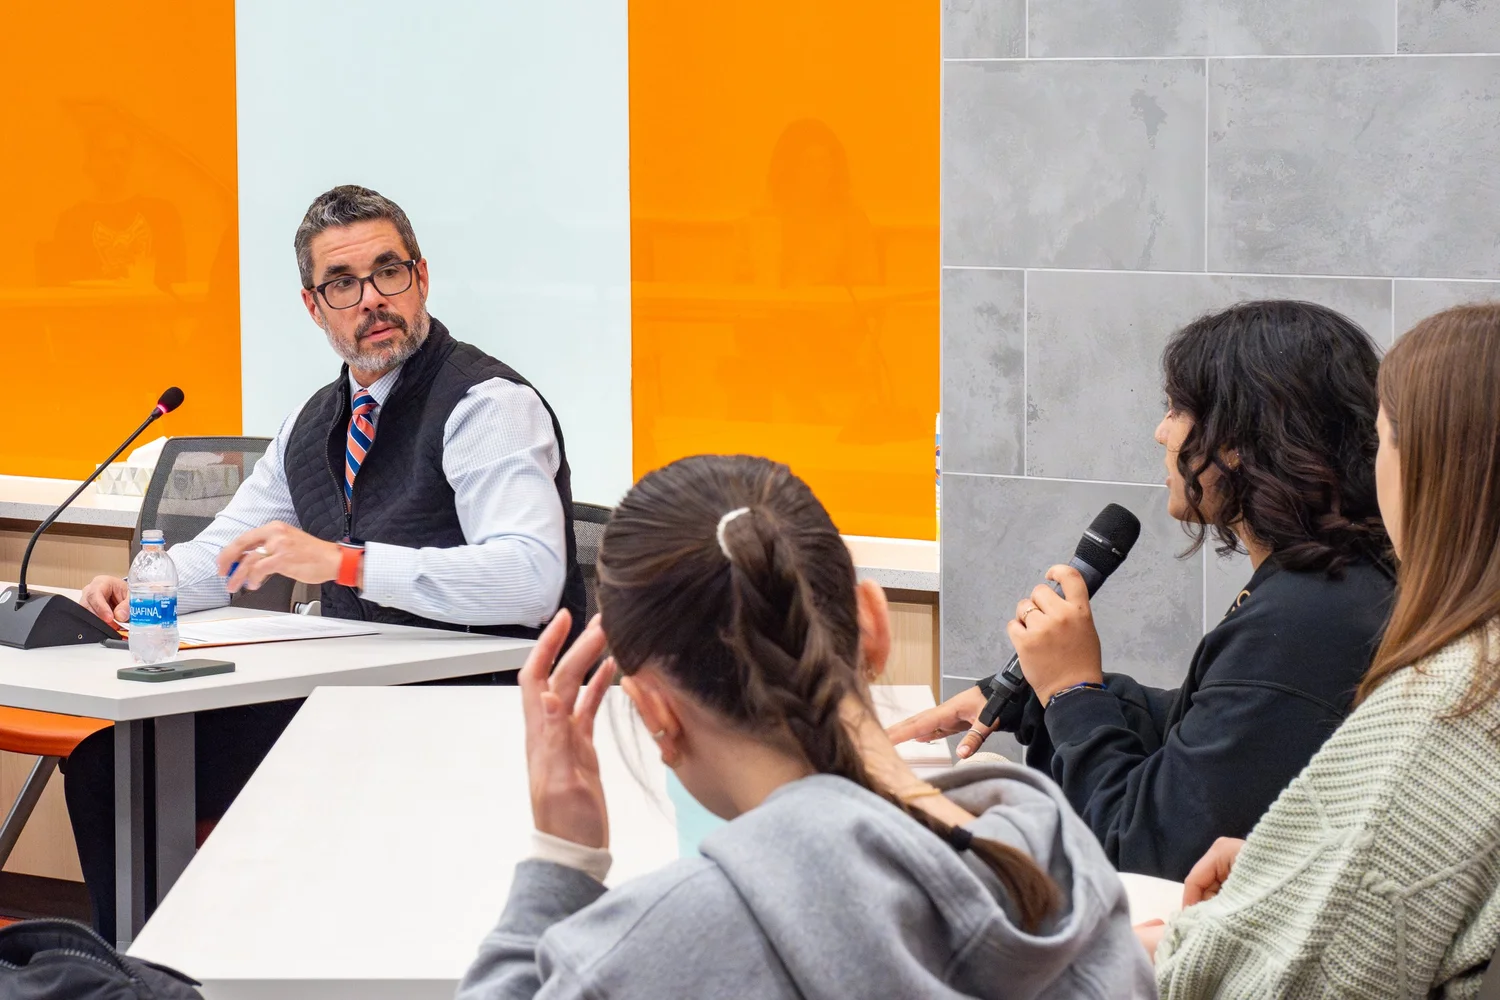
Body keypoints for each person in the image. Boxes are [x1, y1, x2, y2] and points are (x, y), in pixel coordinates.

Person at [66, 184, 587, 941]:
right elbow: (232, 547)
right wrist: (153, 587)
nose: (373, 299)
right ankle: (150, 979)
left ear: (423, 277)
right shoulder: (314, 421)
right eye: (344, 283)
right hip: (353, 702)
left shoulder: (487, 405)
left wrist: (345, 563)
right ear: (314, 307)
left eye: (389, 272)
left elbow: (529, 581)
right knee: (119, 767)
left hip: (471, 712)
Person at [457, 455, 1154, 999]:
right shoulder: (1063, 864)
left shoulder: (653, 954)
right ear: (874, 627)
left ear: (654, 714)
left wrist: (562, 861)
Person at [889, 301, 1395, 880]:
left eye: (1179, 408)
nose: (1162, 431)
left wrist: (1071, 691)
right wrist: (1040, 697)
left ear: (1241, 440)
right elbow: (1211, 735)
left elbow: (1140, 851)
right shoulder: (1327, 585)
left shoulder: (1307, 621)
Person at [1145, 303, 1500, 997]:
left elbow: (1274, 978)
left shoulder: (1457, 702)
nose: (1162, 431)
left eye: (1386, 438)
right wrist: (1289, 869)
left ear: (1434, 469)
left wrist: (1072, 699)